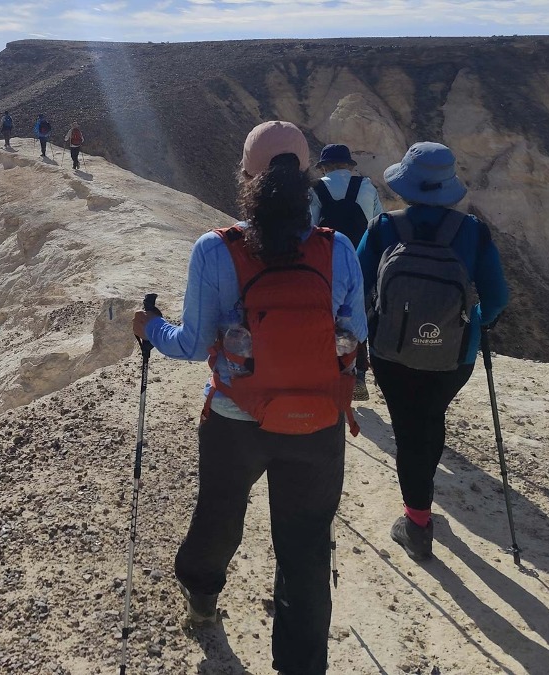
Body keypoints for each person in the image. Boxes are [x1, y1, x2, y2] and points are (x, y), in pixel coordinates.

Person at [133, 121, 366, 675]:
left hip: (237, 419)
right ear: (307, 176)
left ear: (246, 177)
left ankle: (203, 601)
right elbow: (355, 340)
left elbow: (191, 346)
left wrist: (151, 328)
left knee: (219, 516)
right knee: (306, 547)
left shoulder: (216, 250)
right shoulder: (340, 251)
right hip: (317, 423)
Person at [357, 142, 509, 561]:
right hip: (453, 353)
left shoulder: (383, 228)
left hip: (391, 351)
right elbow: (496, 296)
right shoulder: (474, 233)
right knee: (430, 417)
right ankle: (420, 511)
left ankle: (417, 523)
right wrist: (476, 321)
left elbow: (354, 287)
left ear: (404, 184)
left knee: (408, 429)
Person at [310, 143, 383, 402]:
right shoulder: (366, 187)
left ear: (325, 166)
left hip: (326, 263)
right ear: (349, 165)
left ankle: (326, 370)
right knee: (357, 315)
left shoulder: (316, 189)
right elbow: (378, 223)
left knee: (325, 316)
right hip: (361, 262)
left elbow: (308, 228)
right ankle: (358, 374)